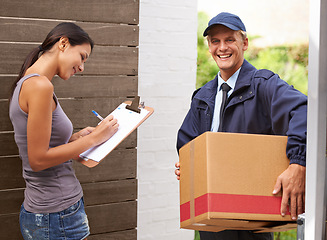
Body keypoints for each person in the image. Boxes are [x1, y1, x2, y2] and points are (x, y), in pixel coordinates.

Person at [175, 12, 307, 240]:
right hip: (213, 220)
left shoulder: (264, 85)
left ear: (244, 43)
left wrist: (298, 163)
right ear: (209, 46)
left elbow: (303, 110)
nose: (222, 47)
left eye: (229, 40)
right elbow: (188, 143)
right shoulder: (203, 97)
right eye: (215, 41)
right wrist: (187, 165)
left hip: (251, 221)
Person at [9, 22, 119, 240]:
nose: (82, 67)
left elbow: (42, 144)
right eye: (82, 56)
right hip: (57, 215)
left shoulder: (29, 81)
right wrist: (95, 138)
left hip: (48, 213)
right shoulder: (40, 86)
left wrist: (74, 138)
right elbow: (38, 159)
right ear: (63, 43)